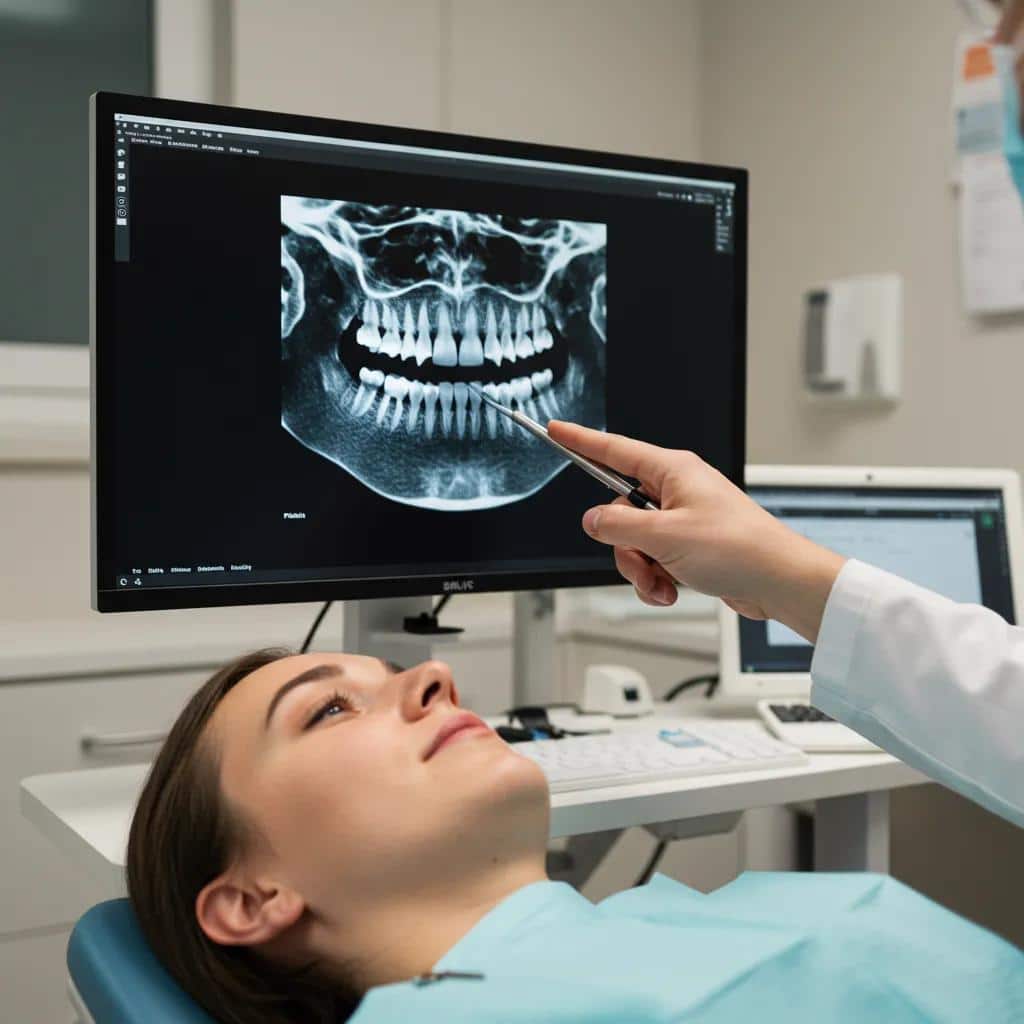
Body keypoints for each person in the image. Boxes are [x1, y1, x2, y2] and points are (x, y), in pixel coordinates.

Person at [128, 647, 1024, 1024]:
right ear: (251, 901)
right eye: (328, 710)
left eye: (403, 671)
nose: (435, 674)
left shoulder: (694, 919)